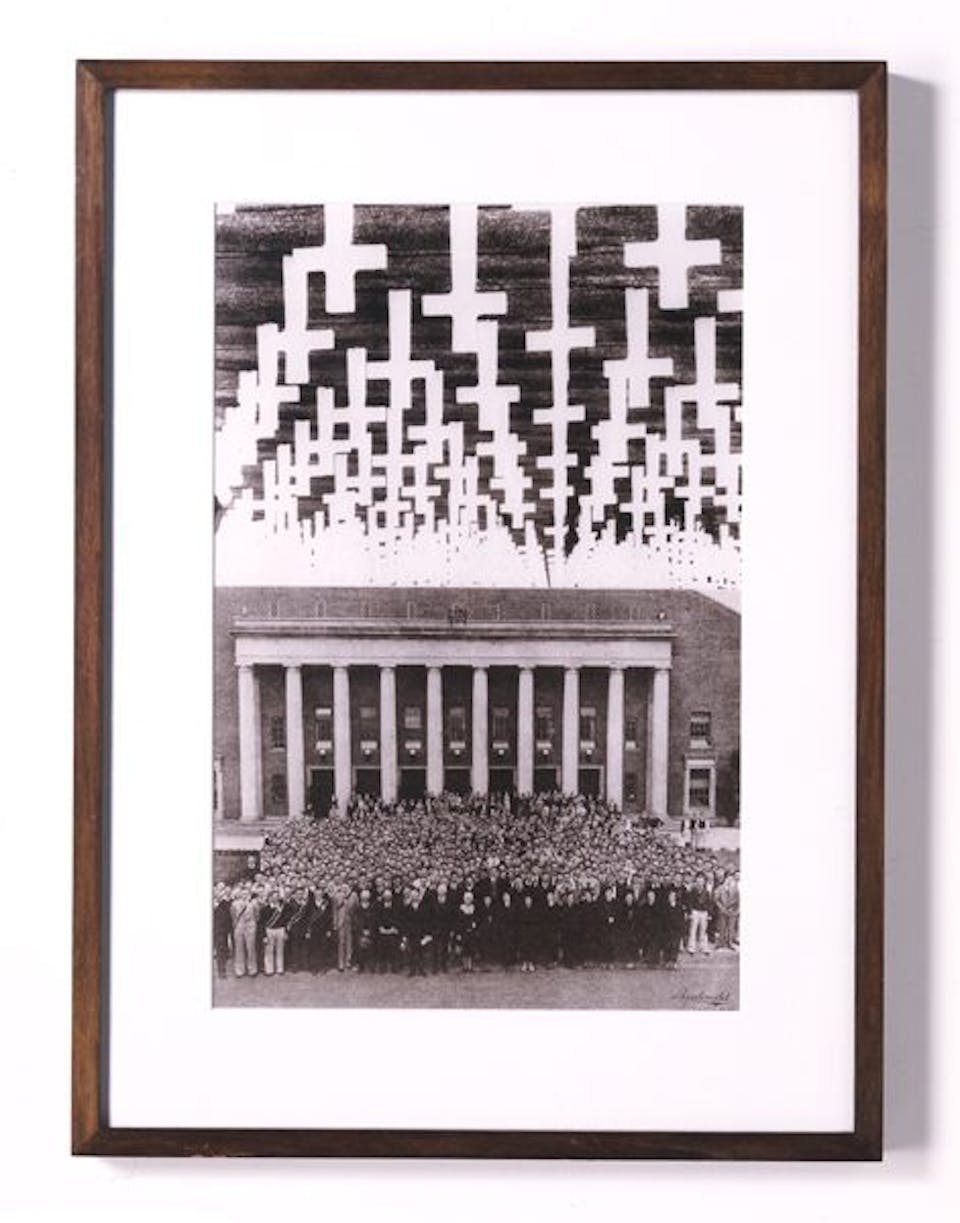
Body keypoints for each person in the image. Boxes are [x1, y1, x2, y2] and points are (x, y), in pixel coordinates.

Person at [230, 883, 260, 977]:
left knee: (251, 948)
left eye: (246, 893)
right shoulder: (235, 903)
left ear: (249, 894)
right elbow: (233, 915)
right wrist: (237, 924)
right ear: (239, 894)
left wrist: (252, 923)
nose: (244, 895)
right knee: (239, 948)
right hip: (239, 925)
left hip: (250, 925)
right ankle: (239, 970)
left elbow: (257, 915)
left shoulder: (254, 903)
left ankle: (252, 969)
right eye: (242, 893)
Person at [686, 872, 712, 956]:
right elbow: (689, 902)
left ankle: (704, 947)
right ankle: (691, 948)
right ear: (696, 880)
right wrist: (690, 912)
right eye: (698, 879)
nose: (700, 881)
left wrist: (709, 914)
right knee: (693, 930)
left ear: (704, 881)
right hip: (695, 911)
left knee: (703, 930)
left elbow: (709, 903)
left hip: (704, 912)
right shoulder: (692, 891)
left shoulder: (706, 891)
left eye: (702, 880)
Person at [213, 883, 233, 978]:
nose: (221, 892)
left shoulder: (227, 902)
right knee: (220, 949)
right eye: (219, 889)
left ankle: (225, 967)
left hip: (228, 927)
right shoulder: (214, 903)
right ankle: (221, 971)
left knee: (224, 949)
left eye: (223, 889)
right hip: (218, 929)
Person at [457, 889, 479, 972]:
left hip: (471, 931)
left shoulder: (474, 908)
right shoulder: (461, 908)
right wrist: (459, 932)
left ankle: (470, 966)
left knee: (471, 948)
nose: (468, 900)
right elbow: (459, 921)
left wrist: (474, 925)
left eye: (469, 899)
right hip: (463, 931)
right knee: (464, 949)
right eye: (467, 898)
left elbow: (476, 919)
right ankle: (464, 966)